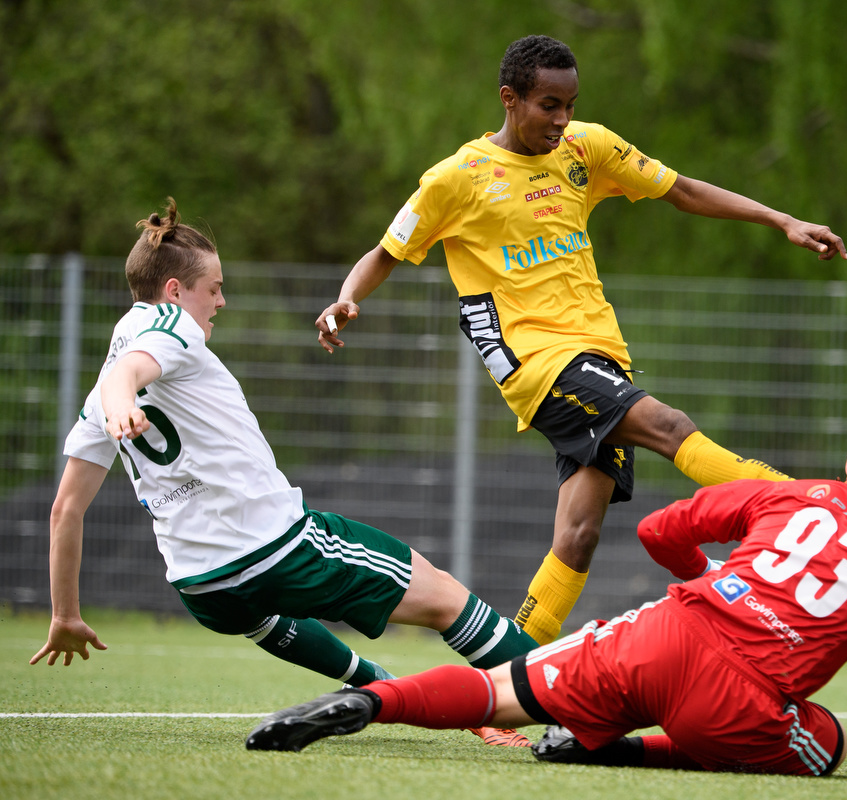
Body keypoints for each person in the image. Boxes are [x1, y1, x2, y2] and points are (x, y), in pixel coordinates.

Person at [246, 384, 847, 789]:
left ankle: (368, 705)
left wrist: (715, 579)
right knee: (827, 744)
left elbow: (659, 530)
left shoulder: (788, 494)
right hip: (741, 702)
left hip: (663, 632)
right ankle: (621, 750)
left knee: (500, 691)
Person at [315, 34, 847, 647]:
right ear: (509, 99)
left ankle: (507, 673)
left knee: (578, 535)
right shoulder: (456, 178)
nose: (562, 119)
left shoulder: (585, 148)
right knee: (669, 426)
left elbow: (680, 189)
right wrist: (346, 297)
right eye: (549, 105)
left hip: (598, 353)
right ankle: (812, 507)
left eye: (570, 105)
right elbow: (386, 250)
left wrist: (782, 219)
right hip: (532, 360)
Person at [31, 200, 539, 745]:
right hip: (276, 549)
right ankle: (581, 698)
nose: (221, 301)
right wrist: (122, 405)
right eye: (214, 288)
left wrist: (65, 614)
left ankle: (403, 696)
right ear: (174, 290)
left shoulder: (102, 381)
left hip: (202, 588)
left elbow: (65, 509)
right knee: (446, 599)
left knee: (264, 614)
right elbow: (129, 374)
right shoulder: (166, 326)